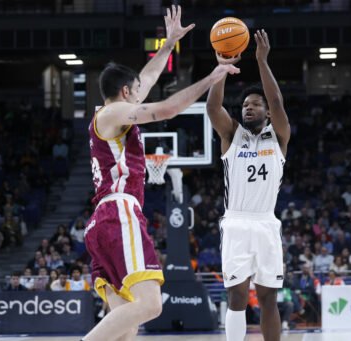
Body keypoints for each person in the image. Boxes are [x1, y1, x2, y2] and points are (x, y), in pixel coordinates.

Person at [82, 6, 239, 341]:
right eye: (137, 89)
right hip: (118, 213)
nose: (143, 91)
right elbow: (166, 108)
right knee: (151, 305)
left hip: (101, 219)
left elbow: (148, 78)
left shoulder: (111, 114)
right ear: (126, 91)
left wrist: (167, 45)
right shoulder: (116, 112)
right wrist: (211, 78)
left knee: (126, 327)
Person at [206, 29, 290, 341]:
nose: (248, 108)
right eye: (244, 105)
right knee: (237, 299)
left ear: (267, 113)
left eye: (255, 104)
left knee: (269, 298)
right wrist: (221, 69)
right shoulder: (232, 135)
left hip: (266, 222)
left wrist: (261, 60)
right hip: (237, 222)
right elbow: (213, 109)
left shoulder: (279, 137)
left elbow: (278, 101)